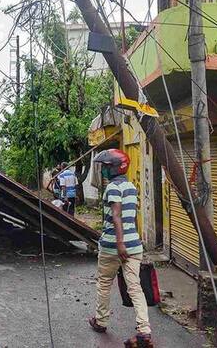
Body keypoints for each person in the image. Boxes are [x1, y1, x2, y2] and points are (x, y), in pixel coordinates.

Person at [88, 149, 153, 348]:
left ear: (116, 167)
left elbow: (116, 215)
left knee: (104, 283)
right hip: (134, 245)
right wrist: (131, 240)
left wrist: (120, 243)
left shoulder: (113, 188)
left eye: (107, 166)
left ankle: (101, 321)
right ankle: (144, 331)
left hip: (113, 246)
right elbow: (131, 217)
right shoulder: (132, 187)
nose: (105, 170)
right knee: (135, 287)